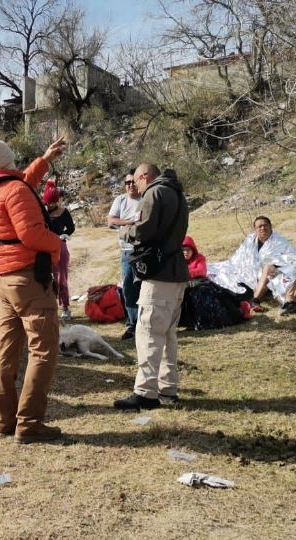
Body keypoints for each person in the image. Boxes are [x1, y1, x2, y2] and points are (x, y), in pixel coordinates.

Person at [0, 136, 66, 444]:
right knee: (43, 350)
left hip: (2, 280)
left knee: (6, 350)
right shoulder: (13, 190)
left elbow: (21, 184)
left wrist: (45, 159)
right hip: (28, 279)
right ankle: (29, 424)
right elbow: (31, 233)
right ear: (7, 160)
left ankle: (3, 421)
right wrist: (58, 244)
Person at [114, 164, 189, 412]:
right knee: (167, 334)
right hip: (176, 271)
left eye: (136, 181)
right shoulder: (177, 193)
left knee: (148, 332)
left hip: (159, 274)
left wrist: (125, 231)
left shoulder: (155, 192)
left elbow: (144, 229)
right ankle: (168, 388)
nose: (135, 187)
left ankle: (146, 392)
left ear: (145, 176)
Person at [207, 216, 294, 311]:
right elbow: (240, 257)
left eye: (265, 225)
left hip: (274, 272)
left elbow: (289, 258)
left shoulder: (280, 242)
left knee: (267, 270)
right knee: (221, 272)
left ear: (270, 226)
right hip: (251, 271)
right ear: (255, 229)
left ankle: (255, 300)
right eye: (259, 226)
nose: (263, 228)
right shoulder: (250, 239)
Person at [179, 236, 250, 331]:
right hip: (187, 288)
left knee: (219, 293)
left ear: (193, 250)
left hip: (201, 284)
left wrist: (184, 273)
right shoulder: (177, 261)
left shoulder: (199, 258)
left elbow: (201, 271)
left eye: (188, 250)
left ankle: (240, 306)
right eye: (183, 250)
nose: (186, 252)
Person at [108, 170, 143, 340]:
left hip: (144, 250)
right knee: (128, 287)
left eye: (132, 182)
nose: (130, 185)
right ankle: (132, 324)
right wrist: (129, 222)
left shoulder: (146, 199)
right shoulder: (120, 200)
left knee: (145, 287)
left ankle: (145, 324)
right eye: (127, 183)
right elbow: (111, 220)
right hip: (127, 251)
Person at [43, 179, 76, 320]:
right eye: (48, 202)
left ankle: (66, 307)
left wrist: (65, 235)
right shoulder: (41, 211)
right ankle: (48, 307)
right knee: (46, 279)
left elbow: (71, 228)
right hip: (44, 248)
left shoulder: (63, 212)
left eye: (53, 202)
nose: (51, 205)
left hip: (60, 247)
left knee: (61, 279)